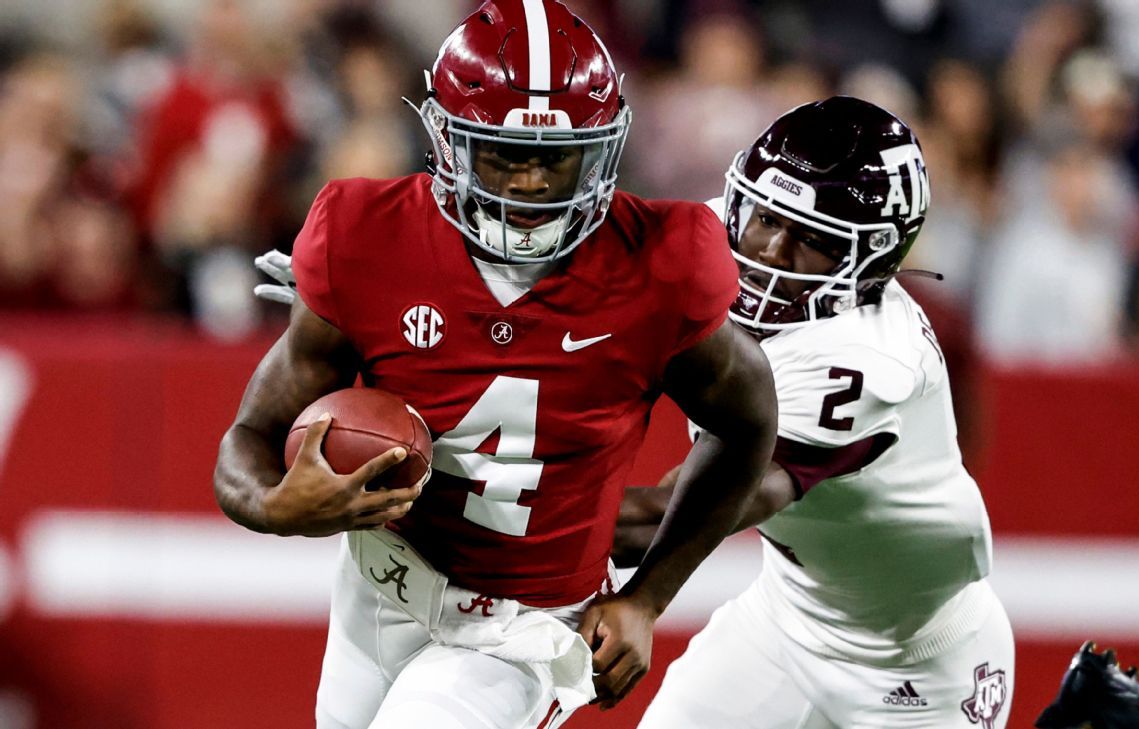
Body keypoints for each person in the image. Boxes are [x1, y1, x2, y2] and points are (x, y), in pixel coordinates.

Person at [212, 2, 777, 728]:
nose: (534, 183)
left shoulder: (661, 262)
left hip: (524, 629)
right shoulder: (366, 235)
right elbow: (250, 436)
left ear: (602, 149)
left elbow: (749, 424)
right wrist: (274, 505)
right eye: (505, 154)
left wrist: (648, 595)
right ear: (447, 141)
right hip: (378, 591)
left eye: (556, 156)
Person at [619, 97, 1016, 728]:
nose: (770, 251)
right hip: (787, 616)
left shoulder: (865, 362)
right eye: (764, 217)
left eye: (811, 240)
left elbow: (700, 506)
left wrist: (487, 510)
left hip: (916, 667)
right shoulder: (716, 232)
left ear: (873, 262)